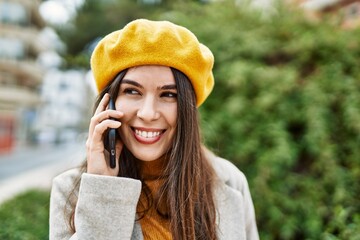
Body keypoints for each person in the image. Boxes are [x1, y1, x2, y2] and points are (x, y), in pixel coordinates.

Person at [49, 19, 259, 240]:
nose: (148, 113)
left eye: (168, 95)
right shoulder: (71, 190)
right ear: (108, 103)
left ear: (187, 110)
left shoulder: (230, 181)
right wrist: (104, 190)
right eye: (132, 91)